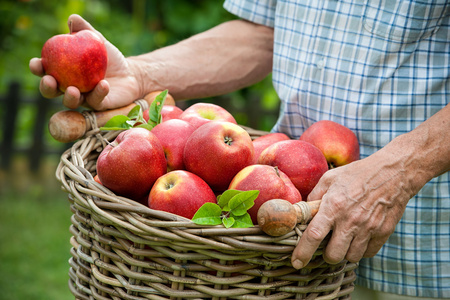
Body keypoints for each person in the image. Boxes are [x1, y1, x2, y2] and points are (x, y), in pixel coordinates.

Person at [30, 0, 450, 298]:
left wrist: (401, 171)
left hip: (423, 252)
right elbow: (263, 33)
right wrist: (141, 74)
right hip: (283, 247)